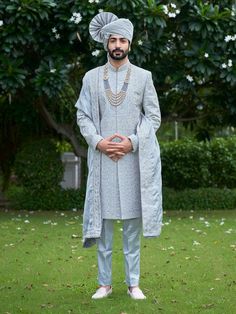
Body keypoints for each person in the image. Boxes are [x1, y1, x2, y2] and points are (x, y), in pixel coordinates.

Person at [75, 12, 162, 300]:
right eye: (112, 39)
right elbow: (83, 115)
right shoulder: (90, 78)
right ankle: (104, 284)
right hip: (102, 160)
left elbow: (153, 117)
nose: (117, 44)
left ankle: (133, 283)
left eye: (122, 40)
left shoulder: (143, 77)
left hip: (132, 162)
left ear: (130, 44)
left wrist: (133, 142)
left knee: (132, 230)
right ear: (106, 44)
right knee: (103, 228)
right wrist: (99, 142)